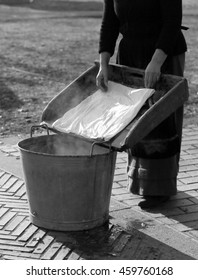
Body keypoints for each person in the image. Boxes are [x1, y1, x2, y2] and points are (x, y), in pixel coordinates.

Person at [96, 0, 187, 208]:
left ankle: (160, 187)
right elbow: (109, 22)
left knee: (160, 119)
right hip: (130, 53)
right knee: (135, 117)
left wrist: (156, 62)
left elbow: (172, 21)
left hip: (164, 53)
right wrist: (104, 63)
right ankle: (141, 182)